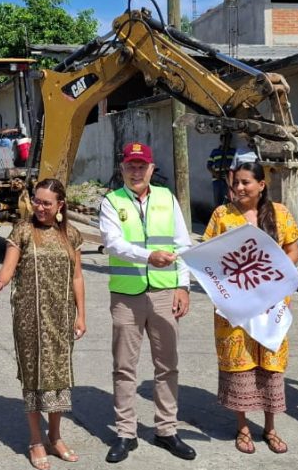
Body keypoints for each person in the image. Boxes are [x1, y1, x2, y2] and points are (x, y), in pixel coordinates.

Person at [99, 142, 196, 463]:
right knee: (124, 367)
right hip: (127, 295)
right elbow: (113, 243)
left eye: (142, 166)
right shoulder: (111, 202)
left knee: (167, 365)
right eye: (130, 165)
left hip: (165, 292)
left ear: (152, 169)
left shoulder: (167, 199)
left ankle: (166, 429)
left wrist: (183, 286)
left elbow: (183, 244)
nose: (136, 171)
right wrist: (147, 256)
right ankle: (126, 432)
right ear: (122, 168)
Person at [0, 179, 87, 469]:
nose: (40, 207)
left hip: (62, 317)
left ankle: (55, 437)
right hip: (29, 319)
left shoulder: (72, 234)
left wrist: (82, 315)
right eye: (37, 201)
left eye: (46, 203)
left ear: (60, 206)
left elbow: (77, 277)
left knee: (58, 377)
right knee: (34, 379)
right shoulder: (22, 231)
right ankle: (35, 440)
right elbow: (8, 268)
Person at [204, 161, 298, 455]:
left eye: (246, 182)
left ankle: (270, 428)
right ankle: (242, 427)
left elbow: (292, 249)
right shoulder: (222, 215)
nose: (240, 187)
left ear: (262, 185)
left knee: (270, 365)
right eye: (236, 182)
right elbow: (207, 253)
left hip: (272, 306)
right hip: (235, 309)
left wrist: (277, 275)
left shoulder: (281, 214)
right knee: (241, 365)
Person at [206, 134, 237, 209]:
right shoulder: (215, 152)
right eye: (225, 140)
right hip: (217, 180)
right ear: (221, 140)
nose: (227, 142)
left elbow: (236, 165)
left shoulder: (233, 151)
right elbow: (208, 166)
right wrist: (216, 174)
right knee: (218, 201)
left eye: (229, 140)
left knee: (229, 200)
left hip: (229, 180)